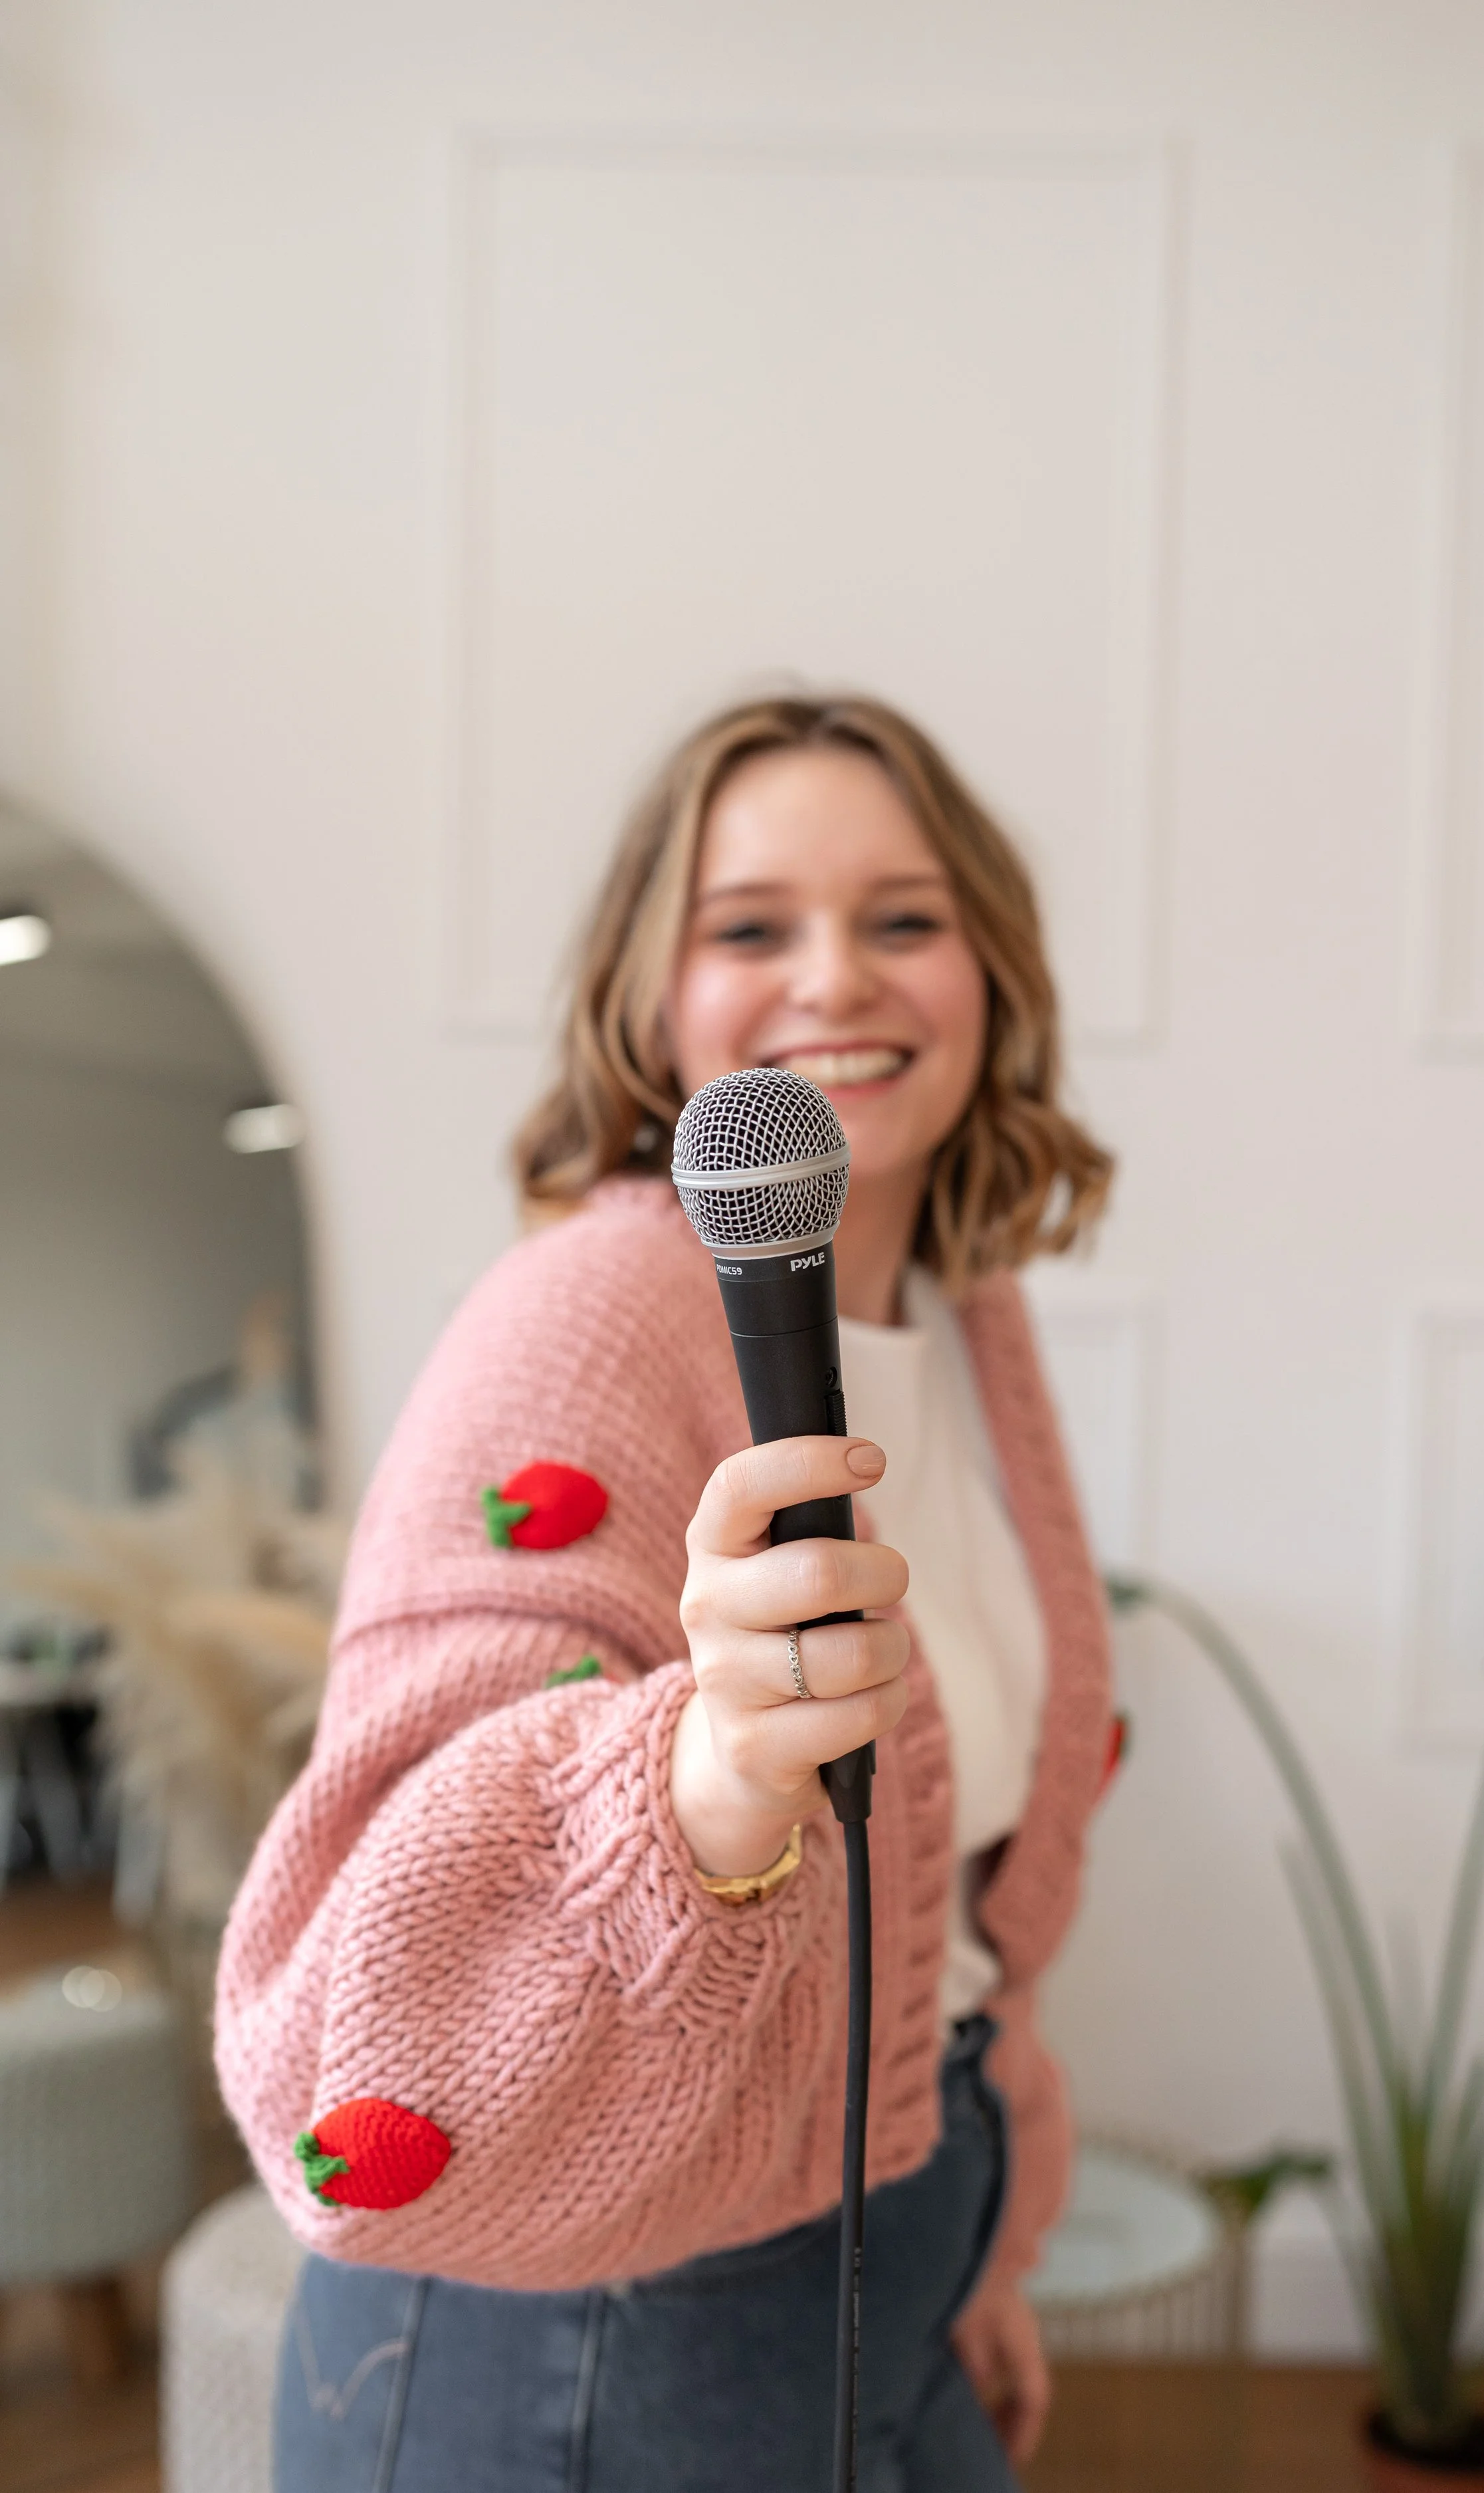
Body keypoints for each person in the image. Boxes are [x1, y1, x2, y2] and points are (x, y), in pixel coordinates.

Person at [216, 691, 1116, 2492]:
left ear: (992, 967)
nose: (835, 977)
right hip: (595, 2327)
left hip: (882, 2252)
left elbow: (958, 1901)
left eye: (904, 918)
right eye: (751, 924)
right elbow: (355, 1986)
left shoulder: (963, 1316)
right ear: (653, 991)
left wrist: (967, 2243)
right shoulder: (585, 1321)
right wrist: (700, 1777)